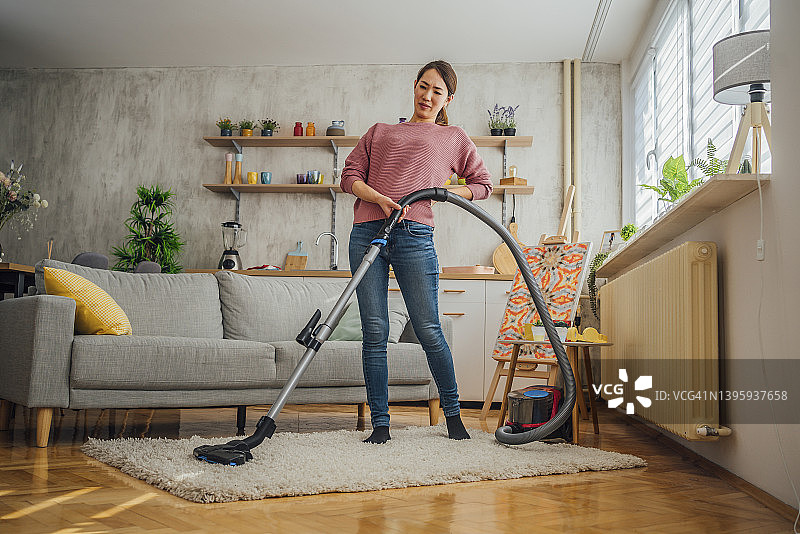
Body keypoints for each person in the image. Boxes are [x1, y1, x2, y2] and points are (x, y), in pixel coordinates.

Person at [340, 60, 493, 444]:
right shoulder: (380, 131)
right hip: (367, 232)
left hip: (414, 235)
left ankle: (454, 416)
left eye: (437, 91)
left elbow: (482, 185)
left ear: (448, 99)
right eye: (423, 86)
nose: (427, 96)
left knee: (428, 329)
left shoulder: (453, 137)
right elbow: (350, 176)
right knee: (375, 332)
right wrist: (378, 198)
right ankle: (380, 425)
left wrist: (443, 193)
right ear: (414, 86)